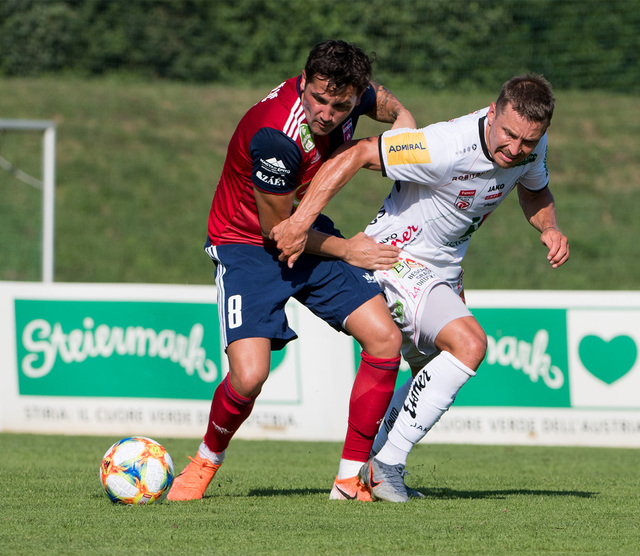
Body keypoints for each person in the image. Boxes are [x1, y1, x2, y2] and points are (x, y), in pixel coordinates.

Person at [271, 74, 569, 502]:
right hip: (398, 256)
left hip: (445, 270)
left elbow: (535, 191)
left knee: (430, 378)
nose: (515, 149)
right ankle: (386, 468)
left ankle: (364, 475)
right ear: (492, 113)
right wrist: (300, 222)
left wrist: (550, 228)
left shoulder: (532, 146)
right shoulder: (443, 146)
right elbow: (358, 152)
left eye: (528, 141)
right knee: (469, 344)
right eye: (509, 134)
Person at [167, 40, 416, 502]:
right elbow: (279, 234)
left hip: (304, 227)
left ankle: (349, 479)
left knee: (385, 339)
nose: (327, 113)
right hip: (247, 244)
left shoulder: (350, 94)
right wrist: (348, 250)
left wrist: (404, 121)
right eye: (318, 99)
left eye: (340, 106)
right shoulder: (276, 138)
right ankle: (205, 460)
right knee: (249, 376)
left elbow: (380, 99)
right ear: (303, 81)